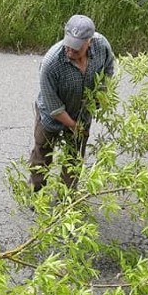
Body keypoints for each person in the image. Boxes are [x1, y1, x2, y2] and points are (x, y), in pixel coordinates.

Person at [28, 14, 115, 191]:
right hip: (51, 115)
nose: (70, 50)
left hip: (81, 112)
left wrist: (102, 94)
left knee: (74, 157)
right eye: (68, 44)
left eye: (76, 48)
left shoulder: (102, 45)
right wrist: (74, 126)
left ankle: (66, 199)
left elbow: (109, 67)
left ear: (89, 41)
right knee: (42, 155)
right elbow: (53, 106)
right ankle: (36, 194)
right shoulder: (51, 63)